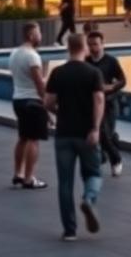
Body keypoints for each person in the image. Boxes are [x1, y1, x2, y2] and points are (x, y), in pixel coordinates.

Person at [44, 33, 104, 242]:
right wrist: (95, 128)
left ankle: (69, 230)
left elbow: (48, 102)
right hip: (86, 133)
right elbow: (98, 100)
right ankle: (88, 198)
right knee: (94, 173)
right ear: (85, 47)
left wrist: (60, 113)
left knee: (65, 183)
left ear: (68, 48)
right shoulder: (93, 72)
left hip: (64, 134)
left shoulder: (58, 72)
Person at [9, 21, 49, 189]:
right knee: (34, 140)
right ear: (32, 35)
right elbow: (39, 84)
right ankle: (29, 178)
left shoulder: (14, 53)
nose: (41, 36)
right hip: (32, 101)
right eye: (39, 33)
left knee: (23, 138)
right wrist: (48, 105)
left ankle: (18, 173)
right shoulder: (32, 56)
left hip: (18, 99)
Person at [86, 30, 126, 176]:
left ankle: (113, 156)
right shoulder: (86, 62)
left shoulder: (111, 61)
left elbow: (123, 80)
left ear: (102, 44)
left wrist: (112, 87)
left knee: (105, 132)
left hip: (109, 102)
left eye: (95, 44)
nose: (92, 48)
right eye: (89, 45)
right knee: (102, 132)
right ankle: (112, 156)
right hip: (93, 104)